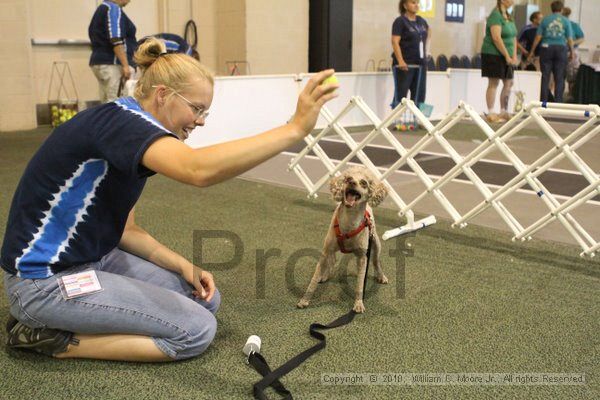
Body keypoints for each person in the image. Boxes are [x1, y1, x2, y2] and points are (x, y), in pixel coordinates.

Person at [1, 38, 339, 362]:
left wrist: (184, 266)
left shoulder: (130, 131)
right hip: (43, 282)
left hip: (96, 259)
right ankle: (51, 340)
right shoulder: (121, 123)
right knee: (195, 331)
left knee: (206, 300)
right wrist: (294, 130)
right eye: (196, 109)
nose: (201, 121)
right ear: (163, 95)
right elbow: (198, 170)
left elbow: (126, 230)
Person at [89, 0, 137, 103]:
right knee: (116, 104)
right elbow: (115, 38)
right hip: (113, 63)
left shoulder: (101, 9)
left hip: (100, 63)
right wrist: (125, 65)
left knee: (106, 103)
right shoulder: (113, 8)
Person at [528, 1, 574, 103]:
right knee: (559, 77)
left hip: (546, 48)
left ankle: (543, 102)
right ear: (561, 9)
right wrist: (572, 52)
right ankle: (557, 103)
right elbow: (570, 39)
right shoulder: (565, 21)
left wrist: (531, 51)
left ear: (551, 9)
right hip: (561, 49)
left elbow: (538, 37)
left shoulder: (545, 20)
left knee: (545, 76)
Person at [480, 0, 518, 123]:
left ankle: (503, 110)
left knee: (509, 83)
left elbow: (513, 37)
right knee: (494, 82)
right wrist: (507, 55)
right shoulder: (495, 15)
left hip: (508, 54)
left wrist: (514, 55)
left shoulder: (508, 15)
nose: (512, 1)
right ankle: (491, 112)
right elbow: (496, 38)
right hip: (493, 53)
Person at [390, 0, 431, 113]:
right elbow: (394, 42)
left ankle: (420, 119)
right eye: (413, 2)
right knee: (401, 93)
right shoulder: (400, 22)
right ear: (405, 5)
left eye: (417, 2)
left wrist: (427, 52)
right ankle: (396, 119)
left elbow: (429, 32)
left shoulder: (421, 21)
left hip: (420, 64)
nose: (416, 5)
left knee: (420, 93)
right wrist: (400, 60)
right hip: (405, 64)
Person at [562, 7, 585, 99]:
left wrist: (573, 43)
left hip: (571, 51)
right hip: (561, 50)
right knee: (565, 74)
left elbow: (582, 38)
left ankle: (571, 94)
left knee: (572, 74)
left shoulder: (574, 25)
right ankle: (567, 95)